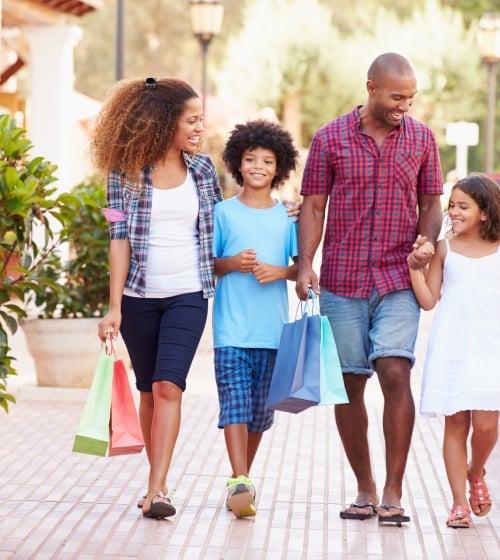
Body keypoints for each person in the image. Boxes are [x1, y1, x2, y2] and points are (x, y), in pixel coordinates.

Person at [295, 52, 443, 524]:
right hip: (343, 279)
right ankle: (365, 487)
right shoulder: (329, 138)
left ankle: (394, 492)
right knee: (351, 384)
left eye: (412, 97)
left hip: (400, 276)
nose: (406, 105)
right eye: (398, 97)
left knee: (396, 371)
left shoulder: (421, 138)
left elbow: (432, 204)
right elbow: (314, 207)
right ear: (371, 88)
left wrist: (426, 243)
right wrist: (304, 265)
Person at [91, 77, 224, 519]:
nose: (200, 127)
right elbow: (117, 237)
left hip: (189, 294)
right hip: (138, 299)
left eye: (200, 119)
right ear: (165, 122)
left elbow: (220, 227)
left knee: (170, 385)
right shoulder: (122, 174)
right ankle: (156, 484)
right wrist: (114, 307)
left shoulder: (204, 171)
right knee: (148, 389)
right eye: (192, 119)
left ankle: (158, 488)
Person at [213, 119, 300, 518]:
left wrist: (277, 271)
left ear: (279, 167)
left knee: (259, 415)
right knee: (234, 403)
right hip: (231, 329)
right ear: (238, 163)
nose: (259, 166)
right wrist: (232, 263)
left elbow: (303, 269)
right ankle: (238, 479)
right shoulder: (222, 212)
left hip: (272, 332)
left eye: (268, 160)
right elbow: (208, 265)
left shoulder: (288, 217)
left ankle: (241, 481)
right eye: (251, 159)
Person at [409, 174, 500, 529]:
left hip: (491, 346)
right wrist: (414, 269)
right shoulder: (444, 248)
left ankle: (475, 471)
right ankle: (459, 504)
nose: (455, 212)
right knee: (456, 422)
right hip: (453, 344)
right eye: (453, 206)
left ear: (486, 212)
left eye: (464, 206)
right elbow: (429, 301)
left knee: (488, 426)